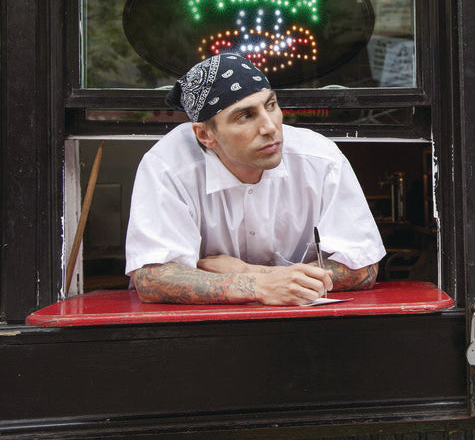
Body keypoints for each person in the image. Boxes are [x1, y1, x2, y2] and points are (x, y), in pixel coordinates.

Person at [125, 53, 386, 306]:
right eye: (245, 116)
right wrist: (260, 287)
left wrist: (248, 273)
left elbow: (362, 267)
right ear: (205, 135)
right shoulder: (168, 166)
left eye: (270, 105)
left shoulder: (320, 159)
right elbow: (151, 278)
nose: (270, 127)